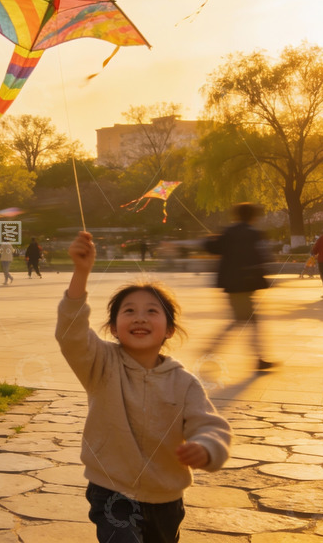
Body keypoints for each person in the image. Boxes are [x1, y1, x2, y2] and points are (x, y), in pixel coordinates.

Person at [56, 231, 231, 543]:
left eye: (152, 311)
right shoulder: (100, 365)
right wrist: (81, 272)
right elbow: (71, 333)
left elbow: (210, 424)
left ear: (170, 329)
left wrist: (206, 448)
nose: (140, 318)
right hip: (112, 492)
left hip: (167, 497)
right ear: (112, 327)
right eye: (129, 311)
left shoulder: (184, 382)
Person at [204, 203, 274, 370]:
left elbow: (212, 249)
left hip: (232, 283)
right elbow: (262, 256)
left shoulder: (228, 232)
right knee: (244, 321)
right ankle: (257, 358)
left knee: (241, 320)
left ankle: (211, 351)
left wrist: (209, 238)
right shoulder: (254, 234)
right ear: (252, 216)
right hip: (247, 283)